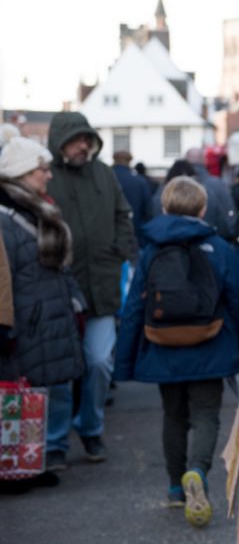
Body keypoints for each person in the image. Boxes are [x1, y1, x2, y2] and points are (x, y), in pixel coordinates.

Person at [115, 177, 239, 525]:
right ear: (203, 209)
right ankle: (198, 470)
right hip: (210, 342)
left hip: (162, 345)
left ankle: (176, 488)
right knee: (206, 414)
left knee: (173, 415)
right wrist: (234, 341)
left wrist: (125, 361)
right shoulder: (219, 247)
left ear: (164, 208)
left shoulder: (151, 249)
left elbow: (133, 307)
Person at [46, 112, 137, 463]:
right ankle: (56, 441)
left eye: (87, 138)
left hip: (101, 286)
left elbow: (122, 215)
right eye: (75, 139)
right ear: (59, 142)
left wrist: (119, 253)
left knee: (99, 362)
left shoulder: (104, 173)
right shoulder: (47, 175)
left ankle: (91, 429)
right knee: (60, 371)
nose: (83, 144)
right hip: (59, 289)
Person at [0, 137, 85, 474]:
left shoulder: (43, 208)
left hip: (56, 312)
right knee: (26, 391)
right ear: (22, 173)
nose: (48, 176)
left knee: (58, 386)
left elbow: (62, 267)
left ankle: (52, 451)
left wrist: (77, 302)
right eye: (42, 169)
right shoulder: (6, 217)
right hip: (27, 318)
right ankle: (29, 460)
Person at [185, 147, 237, 242]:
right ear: (204, 161)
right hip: (215, 243)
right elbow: (230, 216)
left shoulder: (176, 185)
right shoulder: (218, 184)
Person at [112, 150, 152, 245]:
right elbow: (148, 211)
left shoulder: (105, 179)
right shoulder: (140, 182)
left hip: (109, 235)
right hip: (135, 234)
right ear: (129, 161)